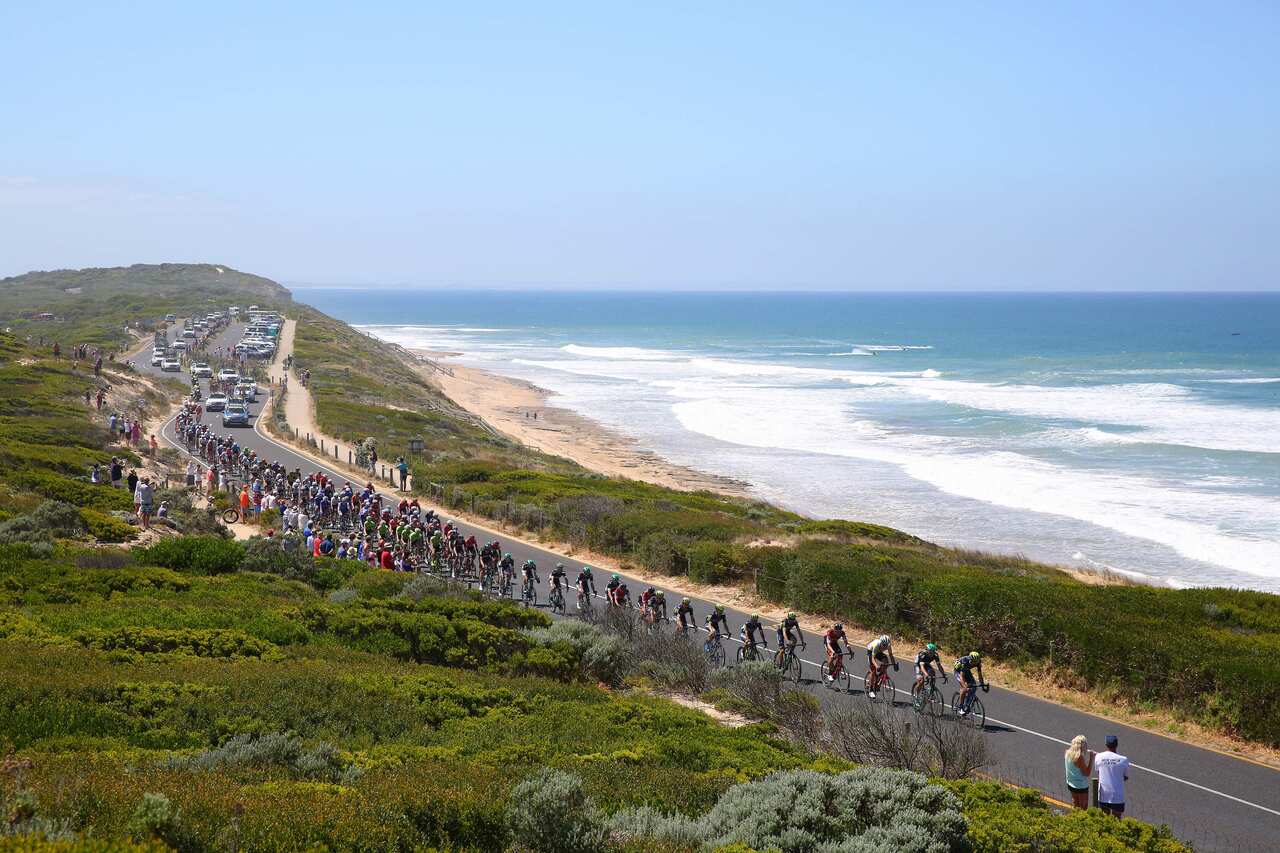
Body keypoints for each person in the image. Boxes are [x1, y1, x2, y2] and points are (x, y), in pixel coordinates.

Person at [1095, 735, 1130, 817]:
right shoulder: (1123, 759)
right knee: (1117, 820)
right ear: (1117, 745)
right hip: (1117, 795)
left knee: (1104, 819)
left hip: (1103, 794)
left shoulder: (1098, 757)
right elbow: (1126, 776)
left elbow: (1099, 772)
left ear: (1106, 745)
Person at [1065, 735, 1095, 810]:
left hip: (1071, 783)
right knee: (1083, 807)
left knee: (1075, 803)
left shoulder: (1067, 753)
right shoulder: (1079, 757)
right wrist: (1092, 758)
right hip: (1081, 785)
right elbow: (1087, 773)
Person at [953, 651, 987, 715]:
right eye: (974, 661)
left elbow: (980, 675)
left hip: (966, 670)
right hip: (958, 671)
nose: (975, 663)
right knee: (964, 688)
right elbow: (961, 676)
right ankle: (960, 707)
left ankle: (967, 705)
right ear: (970, 659)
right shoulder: (965, 662)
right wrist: (964, 686)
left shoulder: (978, 662)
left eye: (976, 661)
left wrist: (982, 685)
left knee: (973, 686)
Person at [865, 634, 898, 698]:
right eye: (884, 645)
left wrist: (894, 665)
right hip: (871, 651)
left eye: (886, 645)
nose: (885, 647)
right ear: (881, 643)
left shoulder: (888, 645)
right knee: (873, 670)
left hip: (878, 652)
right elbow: (873, 658)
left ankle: (879, 680)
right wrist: (877, 666)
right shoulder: (877, 644)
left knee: (886, 662)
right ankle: (871, 690)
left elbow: (891, 655)